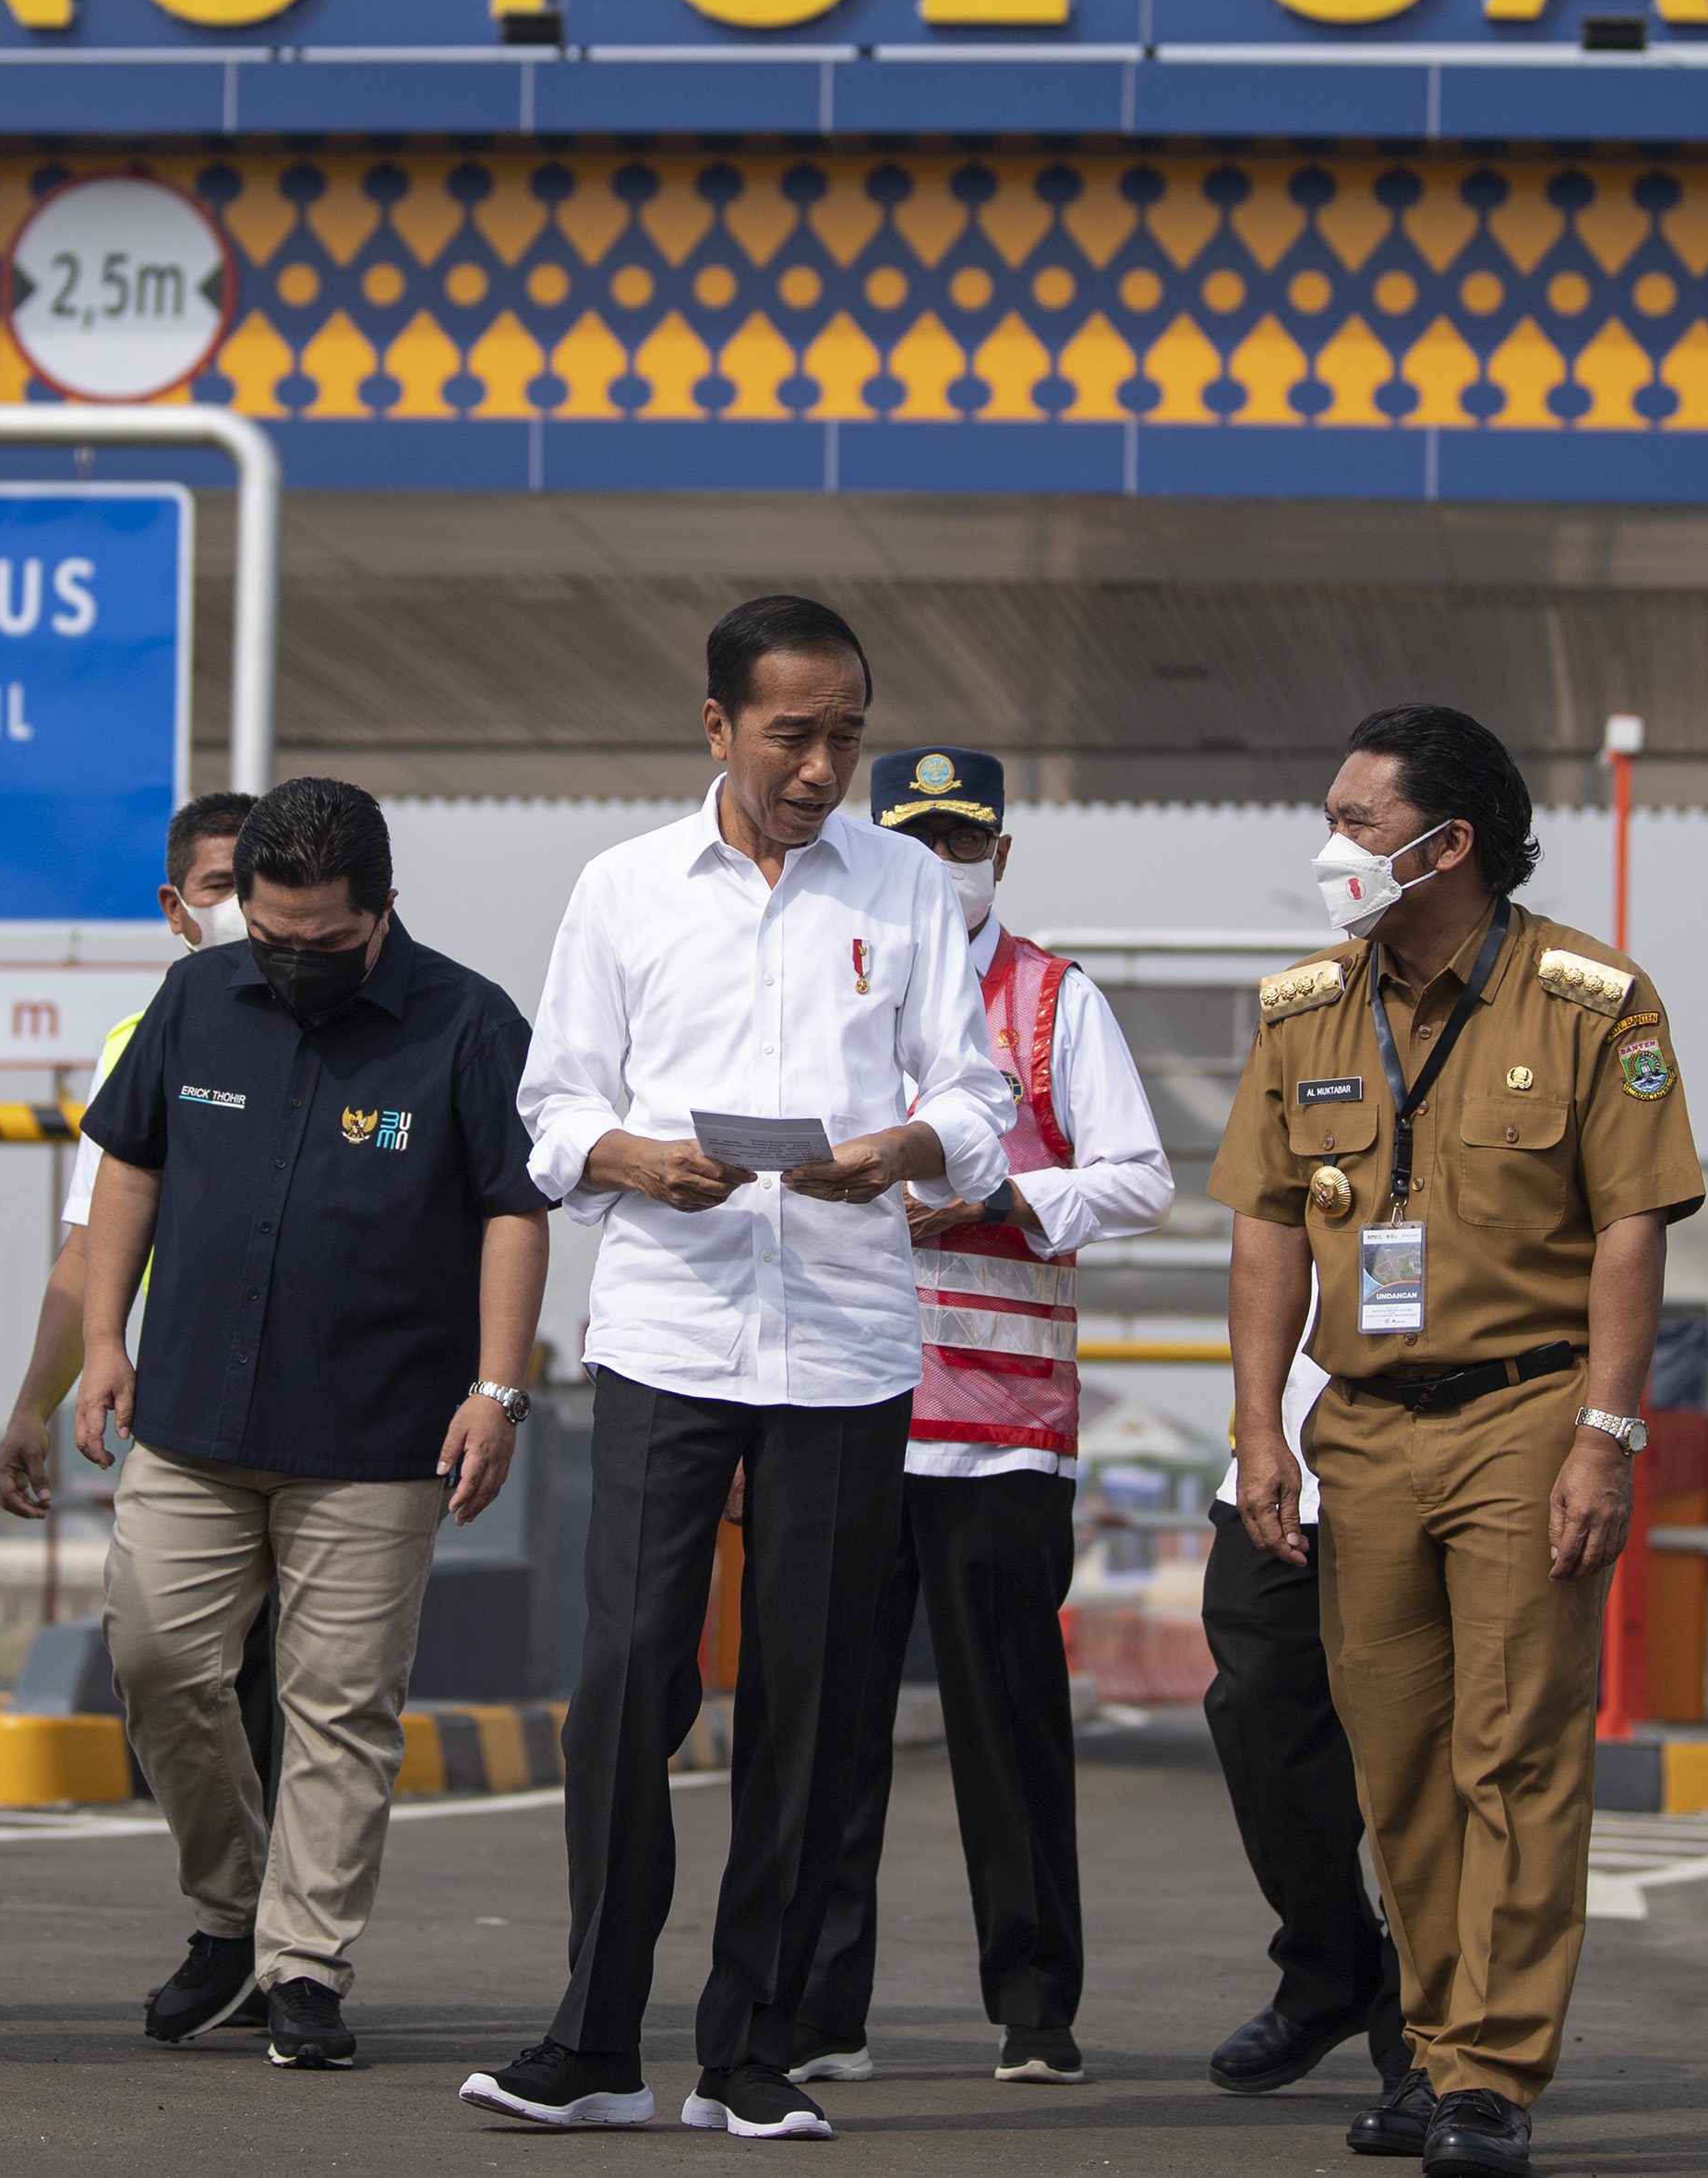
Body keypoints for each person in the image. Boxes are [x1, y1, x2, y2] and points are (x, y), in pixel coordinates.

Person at [464, 595, 1011, 2144]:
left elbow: (971, 1097)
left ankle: (752, 2043)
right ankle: (592, 2037)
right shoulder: (623, 885)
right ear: (718, 728)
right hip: (669, 1329)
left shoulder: (908, 885)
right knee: (632, 1672)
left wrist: (903, 1145)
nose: (826, 765)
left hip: (843, 1339)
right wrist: (635, 1155)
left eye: (848, 734)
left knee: (814, 1696)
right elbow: (554, 1109)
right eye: (795, 735)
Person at [1211, 704, 1704, 2178]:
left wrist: (1606, 1435)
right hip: (1361, 1426)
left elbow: (1633, 1227)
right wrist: (1259, 1428)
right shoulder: (1304, 1006)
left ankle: (1490, 2075)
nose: (1331, 849)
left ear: (1449, 843)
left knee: (1517, 1750)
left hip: (1528, 1414)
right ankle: (1430, 2045)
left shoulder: (1594, 997)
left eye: (1357, 824)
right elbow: (1265, 1220)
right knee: (1402, 1757)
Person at [72, 776, 553, 2072]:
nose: (292, 964)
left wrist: (497, 1388)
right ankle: (232, 1910)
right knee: (157, 1658)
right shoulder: (195, 997)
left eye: (324, 945)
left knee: (338, 1704)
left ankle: (302, 1960)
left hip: (379, 1433)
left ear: (383, 911)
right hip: (190, 1418)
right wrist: (102, 1339)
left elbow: (516, 1204)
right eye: (271, 938)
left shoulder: (469, 1021)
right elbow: (133, 1160)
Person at [789, 746, 1172, 2090]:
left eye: (965, 840)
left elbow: (1140, 1178)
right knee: (827, 1725)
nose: (943, 862)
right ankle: (821, 2007)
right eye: (917, 837)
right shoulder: (823, 980)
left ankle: (1034, 2007)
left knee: (1009, 1723)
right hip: (840, 1408)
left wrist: (1008, 1195)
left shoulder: (1054, 998)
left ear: (999, 853)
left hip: (1000, 1431)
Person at [0, 790, 255, 1518]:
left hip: (333, 1422)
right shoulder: (140, 1045)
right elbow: (91, 1249)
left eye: (258, 881)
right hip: (187, 1420)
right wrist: (32, 1406)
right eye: (220, 887)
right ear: (176, 910)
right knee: (159, 1635)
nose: (243, 906)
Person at [1201, 1343, 1421, 2132]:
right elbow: (1263, 1255)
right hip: (1290, 1454)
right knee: (1254, 1709)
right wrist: (1260, 1430)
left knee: (1425, 1746)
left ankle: (1424, 2017)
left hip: (1438, 1459)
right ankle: (1333, 1970)